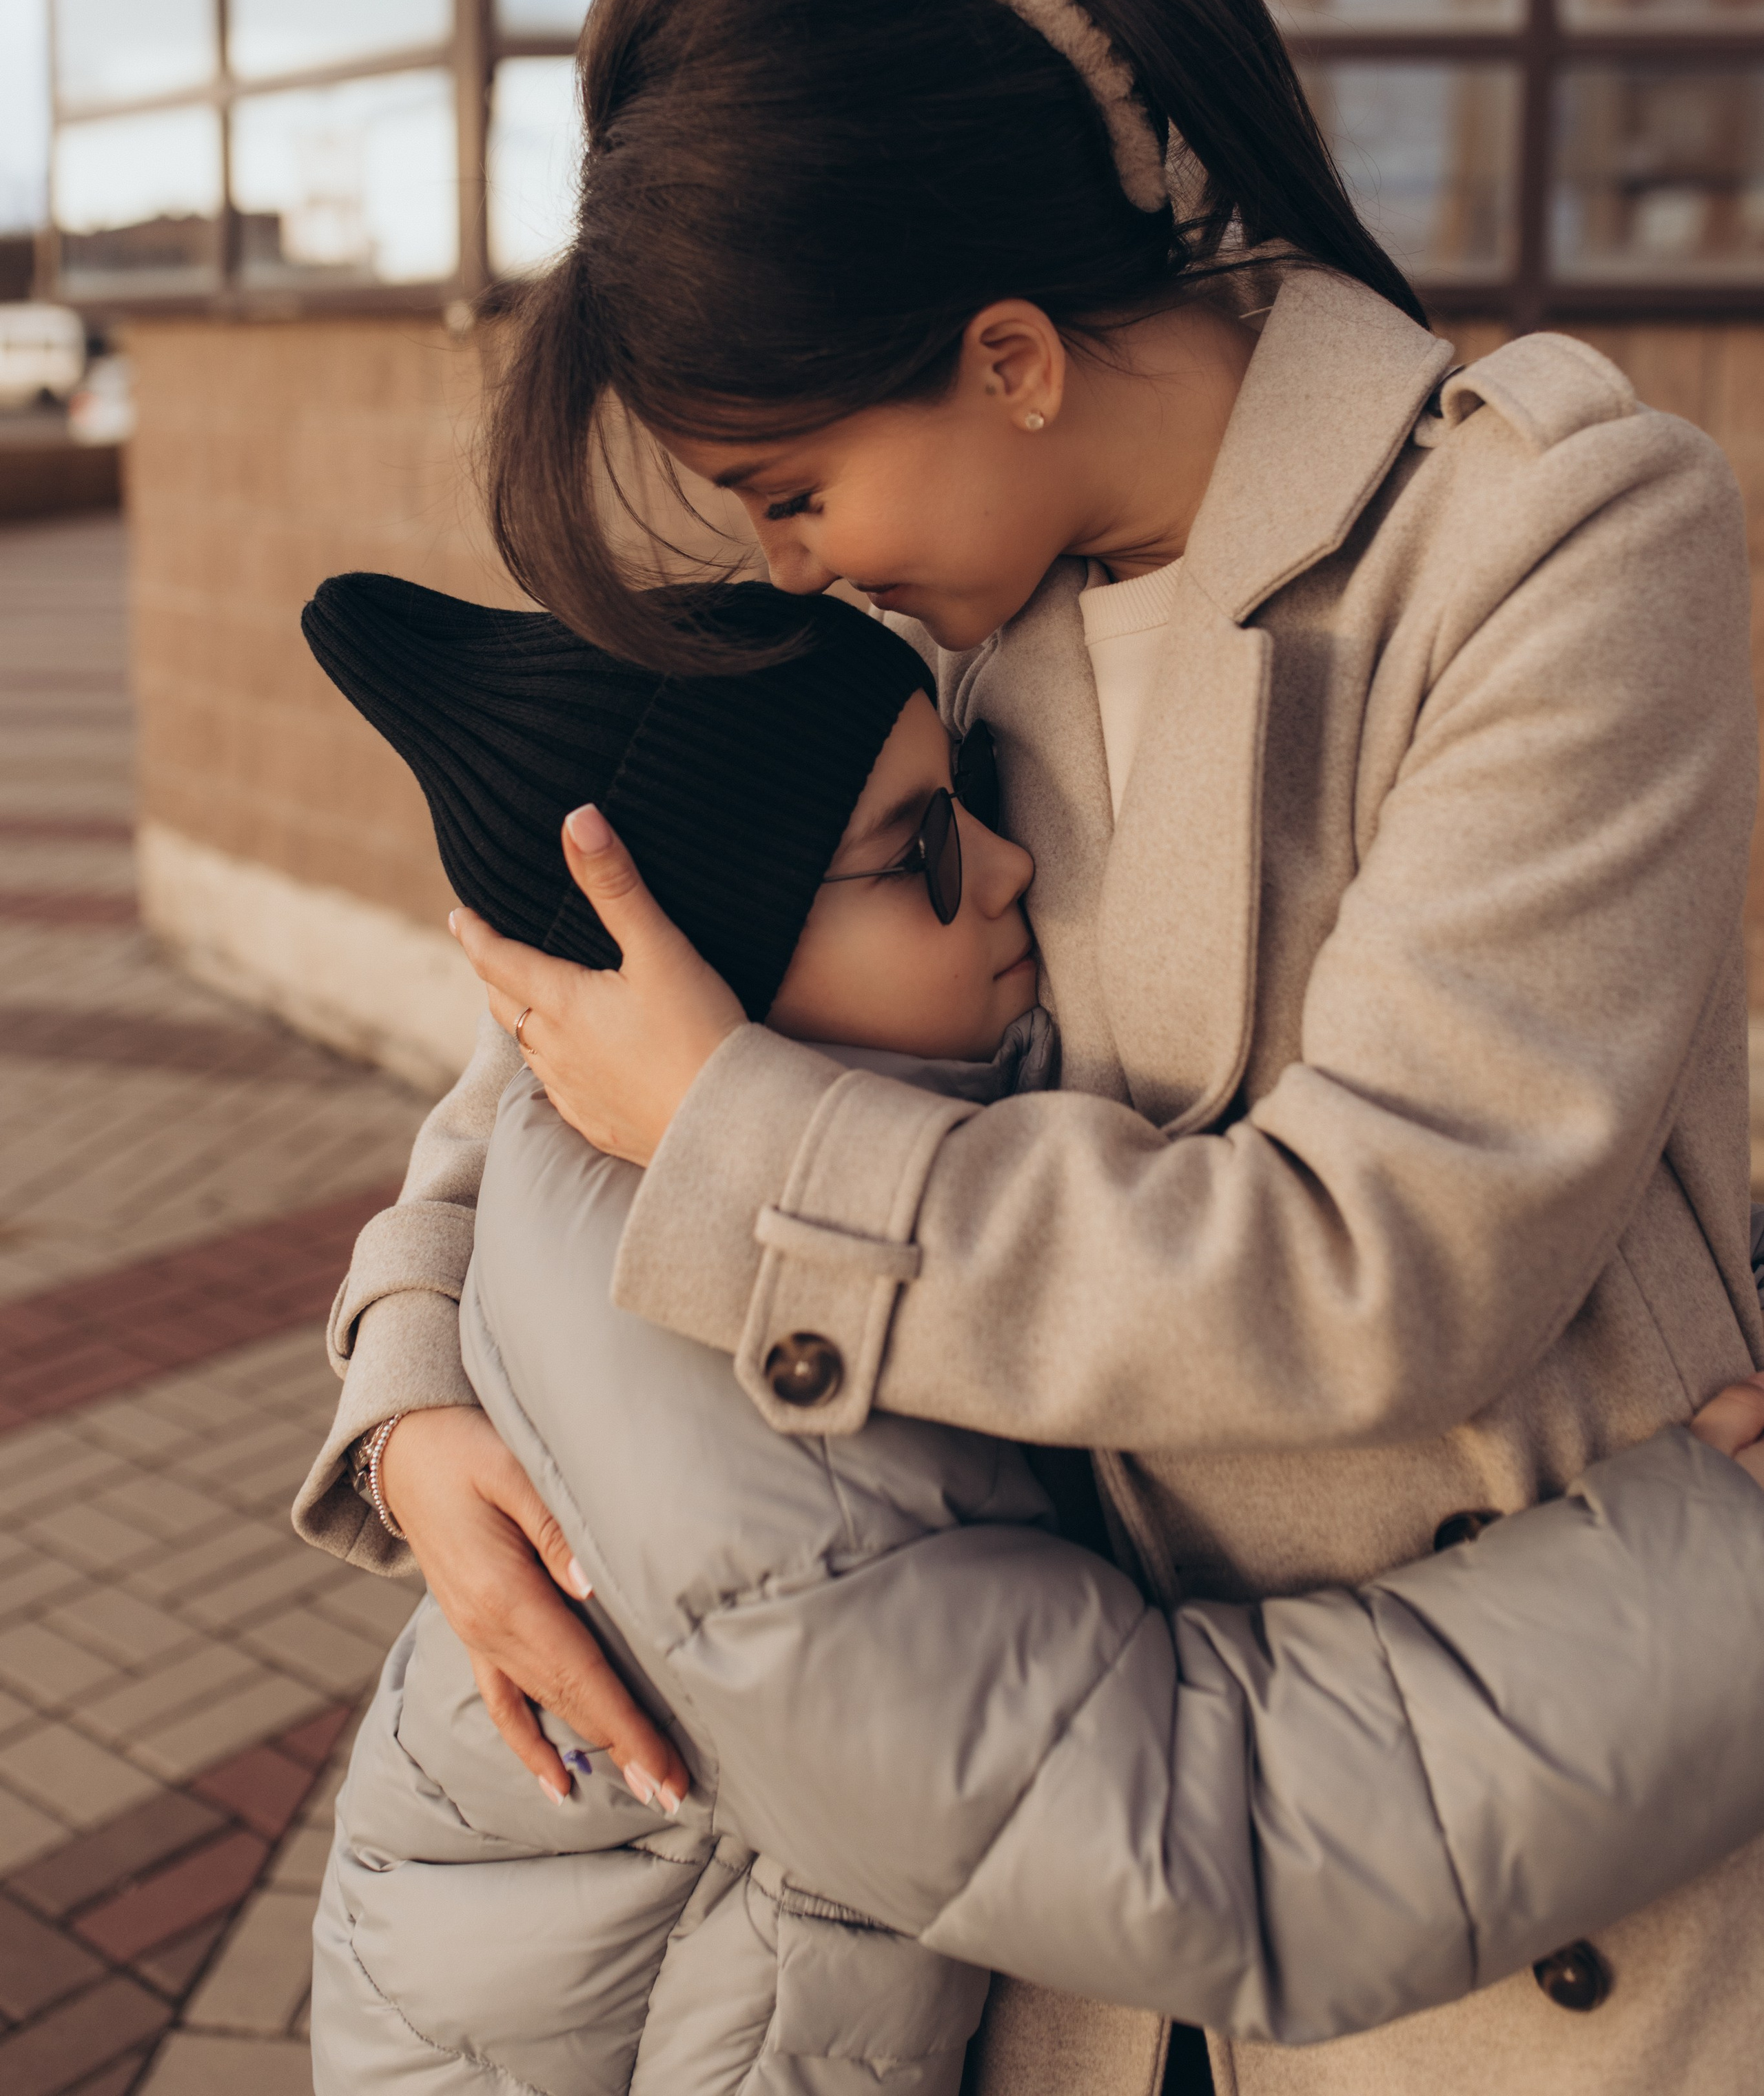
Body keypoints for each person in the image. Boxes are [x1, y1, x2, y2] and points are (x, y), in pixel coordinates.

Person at [295, 0, 1764, 2096]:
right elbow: (591, 1017)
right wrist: (416, 1396)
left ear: (1005, 356)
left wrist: (734, 1146)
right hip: (1084, 1941)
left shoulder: (1555, 541)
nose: (786, 563)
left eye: (789, 491)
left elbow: (1391, 1259)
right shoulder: (972, 624)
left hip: (1539, 1847)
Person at [300, 568, 1764, 2096]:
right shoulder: (738, 1425)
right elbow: (1187, 1829)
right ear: (693, 980)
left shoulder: (695, 1162)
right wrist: (1718, 1574)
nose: (1007, 869)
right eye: (917, 849)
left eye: (975, 794)